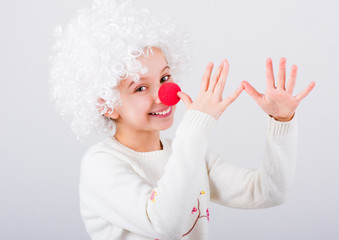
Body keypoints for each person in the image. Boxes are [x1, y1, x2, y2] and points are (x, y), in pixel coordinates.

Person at [49, 0, 315, 239]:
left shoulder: (187, 152)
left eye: (165, 78)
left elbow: (268, 192)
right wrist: (196, 126)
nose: (165, 95)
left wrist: (282, 121)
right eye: (141, 88)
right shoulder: (101, 165)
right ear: (106, 104)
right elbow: (164, 224)